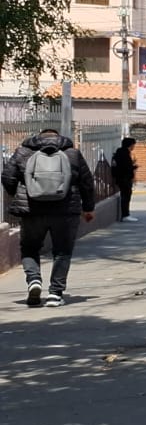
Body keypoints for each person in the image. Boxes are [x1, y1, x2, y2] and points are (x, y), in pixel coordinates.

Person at [2, 128, 97, 307]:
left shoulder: (24, 152)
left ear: (38, 137)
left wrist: (18, 193)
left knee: (30, 248)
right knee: (62, 251)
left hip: (32, 211)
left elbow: (8, 177)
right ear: (59, 137)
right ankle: (55, 293)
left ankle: (34, 280)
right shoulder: (72, 154)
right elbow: (87, 182)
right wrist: (89, 208)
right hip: (66, 212)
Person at [111, 136, 137, 222]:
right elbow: (126, 167)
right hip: (124, 178)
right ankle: (125, 214)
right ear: (130, 145)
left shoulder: (119, 153)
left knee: (125, 196)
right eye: (133, 145)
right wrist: (133, 167)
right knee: (126, 196)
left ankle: (126, 214)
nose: (134, 147)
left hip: (120, 178)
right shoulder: (124, 154)